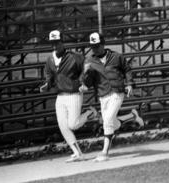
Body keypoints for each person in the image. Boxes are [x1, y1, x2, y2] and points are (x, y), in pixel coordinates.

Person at [40, 30, 97, 162]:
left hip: (73, 94)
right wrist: (46, 85)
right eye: (52, 43)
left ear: (62, 42)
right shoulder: (49, 59)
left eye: (57, 43)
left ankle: (90, 113)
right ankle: (78, 154)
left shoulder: (74, 57)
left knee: (73, 124)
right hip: (60, 96)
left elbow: (87, 69)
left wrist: (84, 82)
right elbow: (49, 77)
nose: (55, 46)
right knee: (63, 127)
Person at [80, 32, 134, 161]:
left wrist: (130, 84)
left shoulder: (116, 57)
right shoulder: (89, 61)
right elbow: (87, 82)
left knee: (108, 119)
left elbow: (127, 69)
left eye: (97, 46)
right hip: (103, 95)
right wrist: (86, 73)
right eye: (93, 46)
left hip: (117, 92)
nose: (95, 48)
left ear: (103, 44)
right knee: (110, 122)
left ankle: (105, 152)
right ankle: (132, 116)